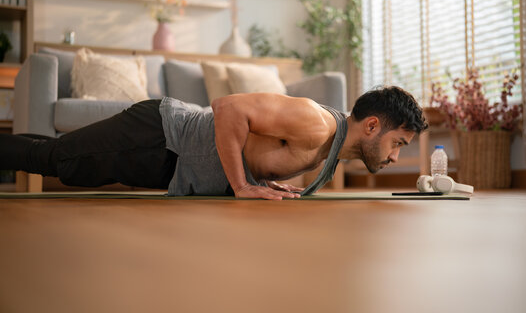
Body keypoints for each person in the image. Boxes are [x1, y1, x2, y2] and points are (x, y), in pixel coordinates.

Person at [0, 86, 427, 200]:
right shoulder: (316, 124)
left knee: (59, 154)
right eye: (399, 143)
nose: (394, 156)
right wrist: (242, 186)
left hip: (170, 161)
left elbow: (255, 146)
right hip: (161, 136)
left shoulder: (329, 150)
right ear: (372, 125)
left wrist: (261, 177)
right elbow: (227, 108)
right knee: (54, 159)